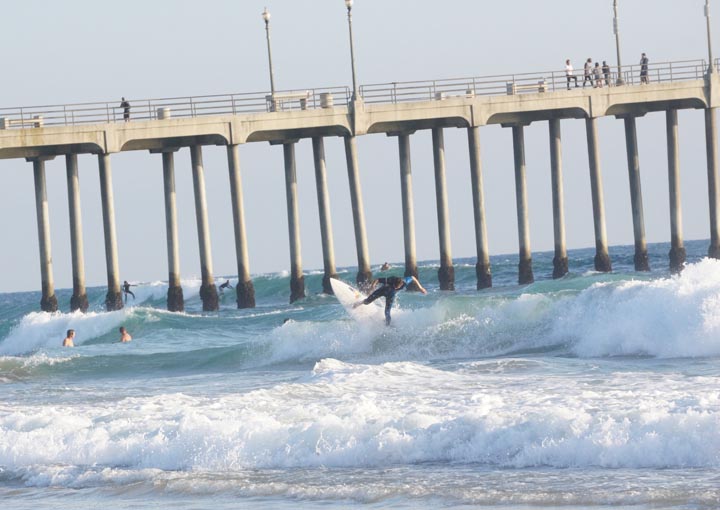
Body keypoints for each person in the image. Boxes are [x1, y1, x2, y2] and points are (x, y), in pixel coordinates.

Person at [353, 275, 427, 326]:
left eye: (397, 287)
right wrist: (372, 286)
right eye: (394, 286)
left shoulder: (405, 281)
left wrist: (420, 288)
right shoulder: (391, 279)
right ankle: (360, 302)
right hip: (382, 291)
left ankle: (387, 326)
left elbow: (413, 277)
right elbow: (377, 280)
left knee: (387, 312)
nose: (395, 288)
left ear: (401, 285)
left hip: (391, 296)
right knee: (367, 302)